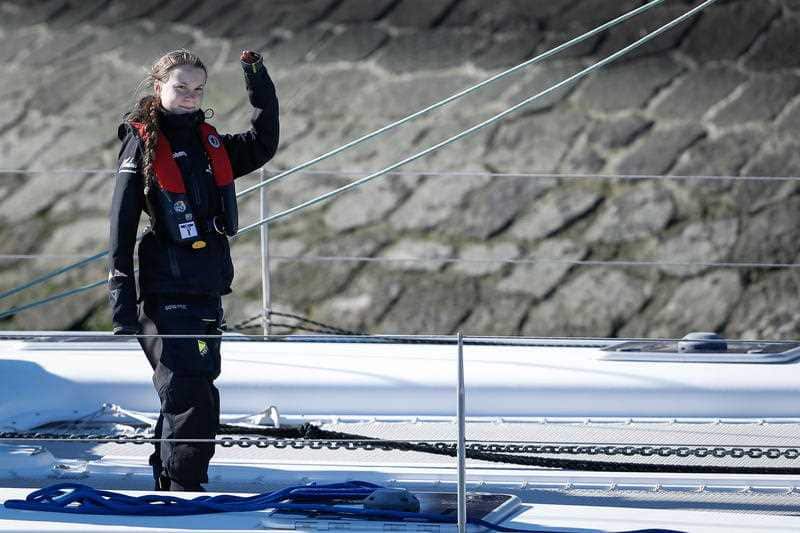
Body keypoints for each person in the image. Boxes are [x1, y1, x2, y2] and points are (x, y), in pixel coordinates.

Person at [107, 49, 279, 491]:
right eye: (180, 87)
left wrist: (256, 77)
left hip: (205, 286)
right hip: (166, 290)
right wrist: (121, 300)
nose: (189, 96)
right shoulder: (141, 145)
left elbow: (264, 141)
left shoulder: (210, 143)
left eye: (197, 88)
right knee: (188, 393)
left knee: (198, 388)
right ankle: (185, 489)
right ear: (158, 86)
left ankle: (172, 481)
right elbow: (121, 228)